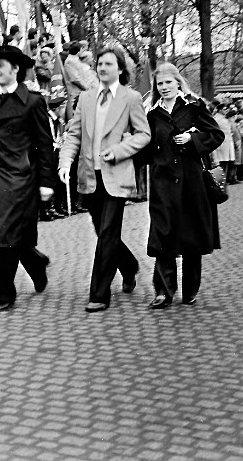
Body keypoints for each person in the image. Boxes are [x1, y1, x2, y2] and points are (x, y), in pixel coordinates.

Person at [58, 47, 151, 312]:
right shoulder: (86, 98)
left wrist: (119, 150)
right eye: (99, 63)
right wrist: (65, 161)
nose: (102, 68)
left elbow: (144, 134)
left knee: (108, 232)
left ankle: (99, 293)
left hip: (116, 174)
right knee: (103, 231)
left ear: (120, 69)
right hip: (90, 175)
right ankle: (129, 266)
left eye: (108, 64)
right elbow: (74, 134)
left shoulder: (131, 98)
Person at [0, 46, 55, 313]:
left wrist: (46, 182)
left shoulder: (32, 101)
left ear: (16, 69)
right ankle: (36, 263)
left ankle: (4, 294)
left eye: (1, 65)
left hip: (23, 177)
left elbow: (44, 144)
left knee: (6, 232)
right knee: (11, 232)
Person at [139, 62, 224, 309]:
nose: (164, 87)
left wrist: (192, 138)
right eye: (160, 83)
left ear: (178, 82)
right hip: (162, 181)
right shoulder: (151, 113)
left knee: (191, 236)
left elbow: (216, 135)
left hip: (192, 182)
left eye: (168, 82)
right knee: (162, 234)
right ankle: (163, 292)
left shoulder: (194, 106)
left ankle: (190, 290)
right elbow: (145, 147)